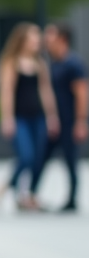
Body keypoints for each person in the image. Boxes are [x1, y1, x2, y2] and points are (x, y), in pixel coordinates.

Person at [0, 22, 59, 211]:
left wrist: (52, 116)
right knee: (27, 156)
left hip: (38, 117)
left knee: (39, 157)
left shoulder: (40, 63)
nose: (37, 41)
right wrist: (7, 118)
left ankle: (28, 196)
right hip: (20, 118)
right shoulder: (12, 62)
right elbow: (7, 92)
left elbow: (46, 91)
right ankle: (11, 184)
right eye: (33, 37)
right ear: (22, 40)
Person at [40, 23, 86, 211]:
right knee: (41, 157)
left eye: (50, 37)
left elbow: (82, 94)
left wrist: (81, 122)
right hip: (54, 122)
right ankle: (32, 194)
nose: (46, 41)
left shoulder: (74, 64)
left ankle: (72, 199)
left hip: (70, 121)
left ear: (62, 39)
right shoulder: (53, 63)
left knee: (70, 160)